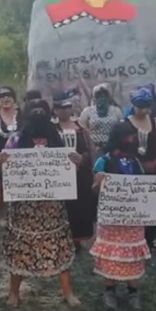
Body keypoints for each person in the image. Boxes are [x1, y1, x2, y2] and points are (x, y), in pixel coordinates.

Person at [0, 99, 81, 308]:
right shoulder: (15, 140)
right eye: (33, 112)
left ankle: (67, 292)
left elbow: (71, 171)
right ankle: (14, 293)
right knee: (20, 247)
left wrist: (76, 163)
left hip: (52, 207)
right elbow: (0, 171)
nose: (37, 114)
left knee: (58, 245)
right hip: (23, 208)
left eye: (41, 111)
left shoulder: (57, 139)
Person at [90, 122, 152, 310]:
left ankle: (133, 291)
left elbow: (144, 186)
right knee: (112, 255)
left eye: (133, 136)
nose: (131, 140)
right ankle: (110, 290)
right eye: (127, 136)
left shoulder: (136, 162)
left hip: (133, 218)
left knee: (133, 254)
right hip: (111, 219)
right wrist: (98, 183)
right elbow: (94, 190)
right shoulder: (104, 161)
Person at [125, 88, 156, 249]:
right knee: (137, 206)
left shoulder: (155, 122)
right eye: (141, 107)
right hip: (134, 170)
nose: (144, 111)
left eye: (147, 107)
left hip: (153, 168)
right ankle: (139, 237)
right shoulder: (125, 123)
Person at [52, 91, 96, 247]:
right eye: (59, 108)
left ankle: (78, 240)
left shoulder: (81, 127)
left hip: (80, 175)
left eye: (65, 108)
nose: (62, 111)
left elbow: (91, 150)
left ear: (70, 108)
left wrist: (83, 160)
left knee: (80, 207)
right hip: (57, 175)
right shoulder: (51, 128)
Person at [79, 83, 123, 159]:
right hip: (93, 149)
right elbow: (82, 129)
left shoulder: (116, 111)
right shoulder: (87, 111)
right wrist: (90, 146)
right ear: (95, 97)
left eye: (105, 95)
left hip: (112, 148)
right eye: (99, 95)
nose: (102, 98)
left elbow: (120, 128)